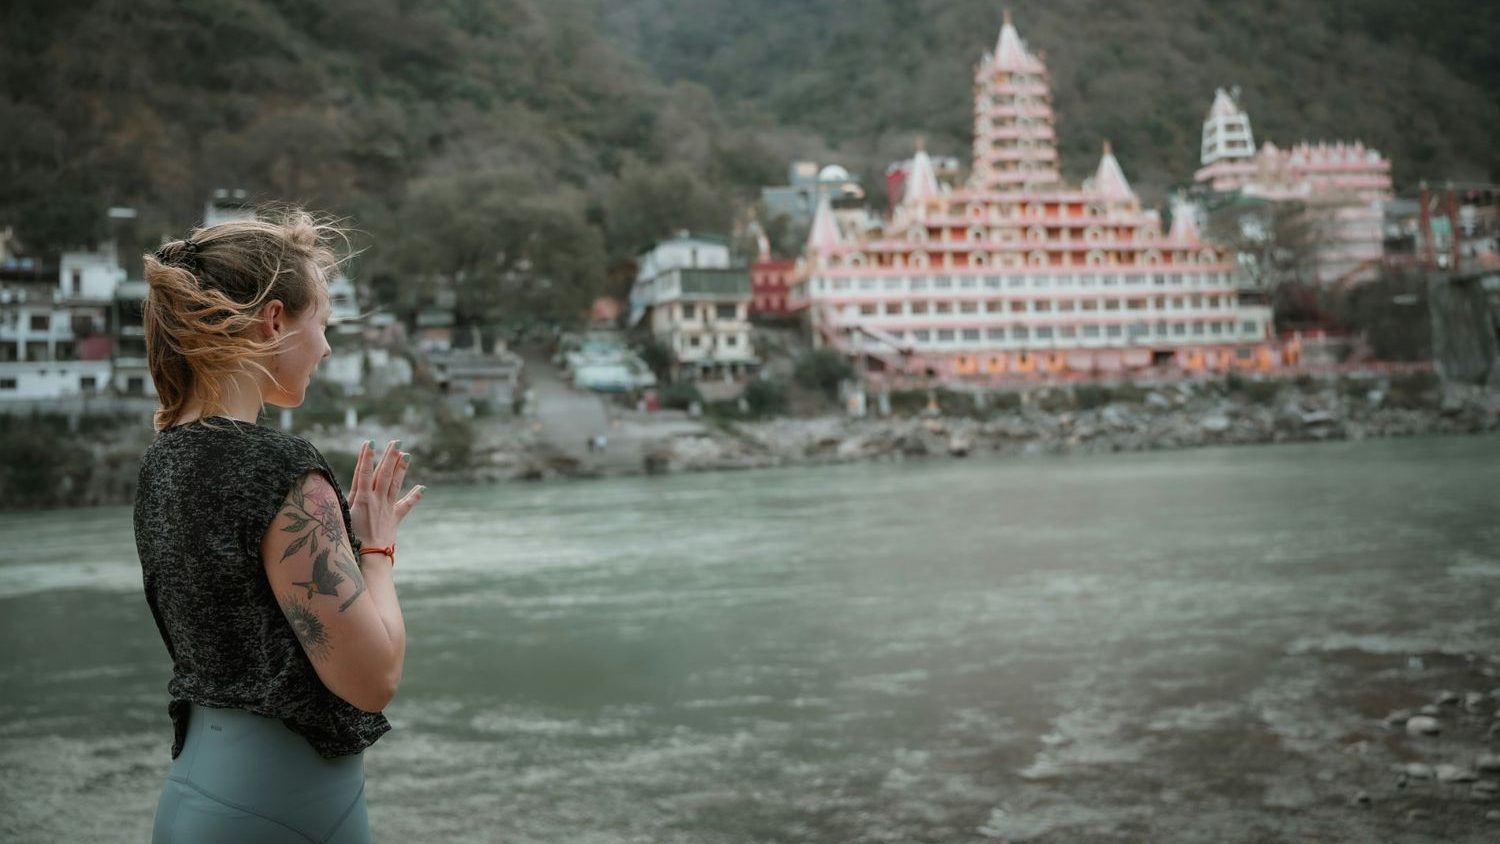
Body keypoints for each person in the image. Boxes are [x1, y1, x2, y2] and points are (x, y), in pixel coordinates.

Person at [132, 210, 424, 843]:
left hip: (193, 793)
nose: (325, 346)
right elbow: (373, 679)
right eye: (321, 325)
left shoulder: (163, 463)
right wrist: (376, 547)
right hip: (287, 812)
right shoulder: (276, 467)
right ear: (274, 320)